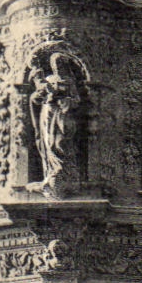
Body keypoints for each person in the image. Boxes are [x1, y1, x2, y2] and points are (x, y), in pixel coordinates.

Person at [30, 54, 82, 188]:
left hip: (63, 114)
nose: (57, 66)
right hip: (48, 112)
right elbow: (37, 97)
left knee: (61, 142)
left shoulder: (70, 81)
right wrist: (41, 95)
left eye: (59, 63)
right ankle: (51, 172)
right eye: (55, 64)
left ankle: (65, 173)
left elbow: (77, 100)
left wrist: (66, 101)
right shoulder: (49, 79)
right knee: (49, 142)